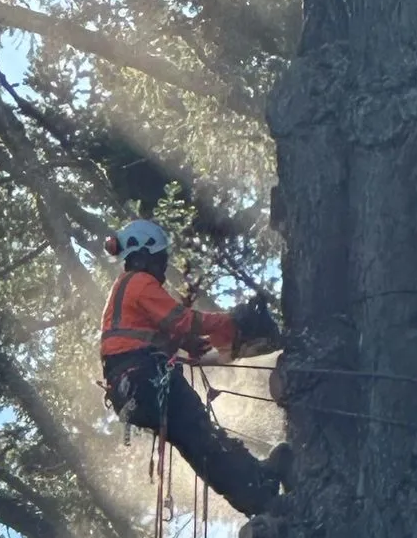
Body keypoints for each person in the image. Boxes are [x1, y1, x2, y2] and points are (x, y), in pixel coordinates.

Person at [100, 218, 292, 517]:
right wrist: (231, 321)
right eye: (160, 259)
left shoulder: (122, 292)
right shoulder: (139, 282)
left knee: (195, 443)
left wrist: (188, 343)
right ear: (145, 254)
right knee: (202, 433)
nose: (163, 268)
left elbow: (151, 336)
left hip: (131, 392)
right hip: (145, 380)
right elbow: (183, 320)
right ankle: (257, 484)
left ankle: (253, 497)